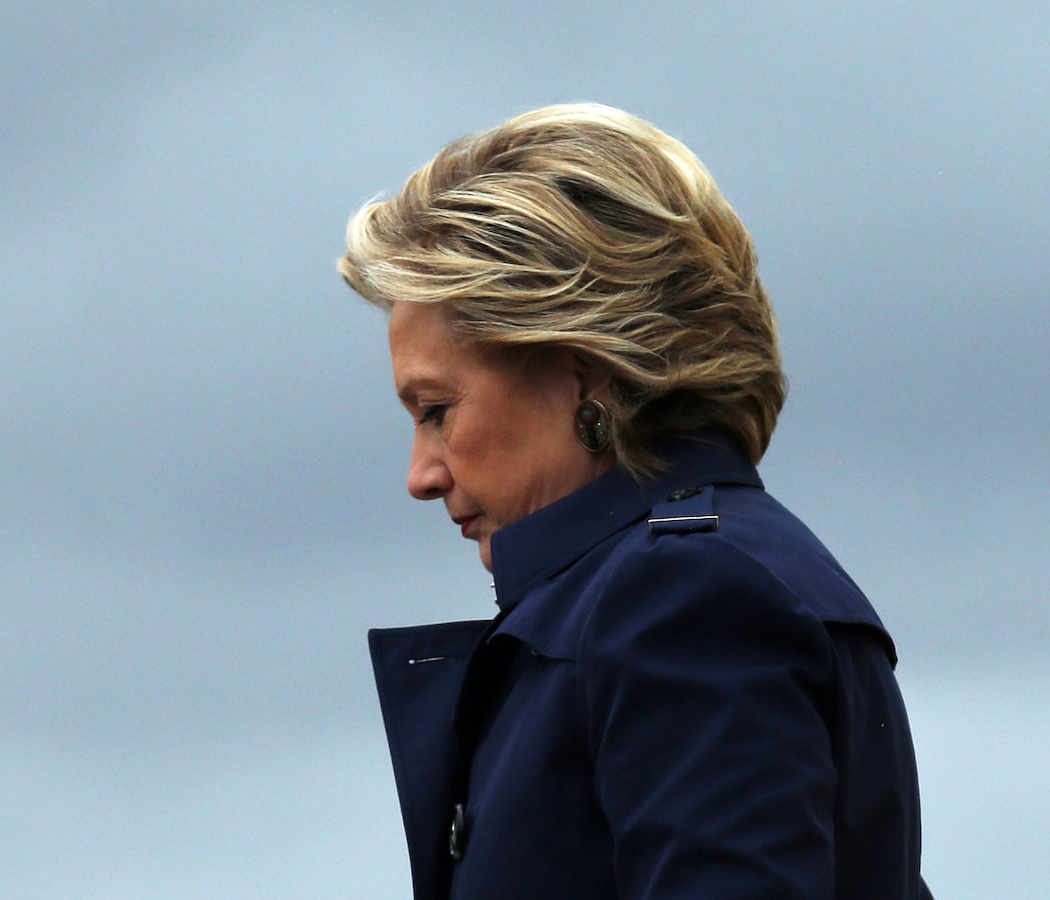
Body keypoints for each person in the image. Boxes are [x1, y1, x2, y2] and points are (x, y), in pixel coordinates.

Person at [338, 104, 932, 899]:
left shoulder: (683, 597)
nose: (421, 473)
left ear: (582, 372)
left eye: (437, 410)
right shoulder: (707, 575)